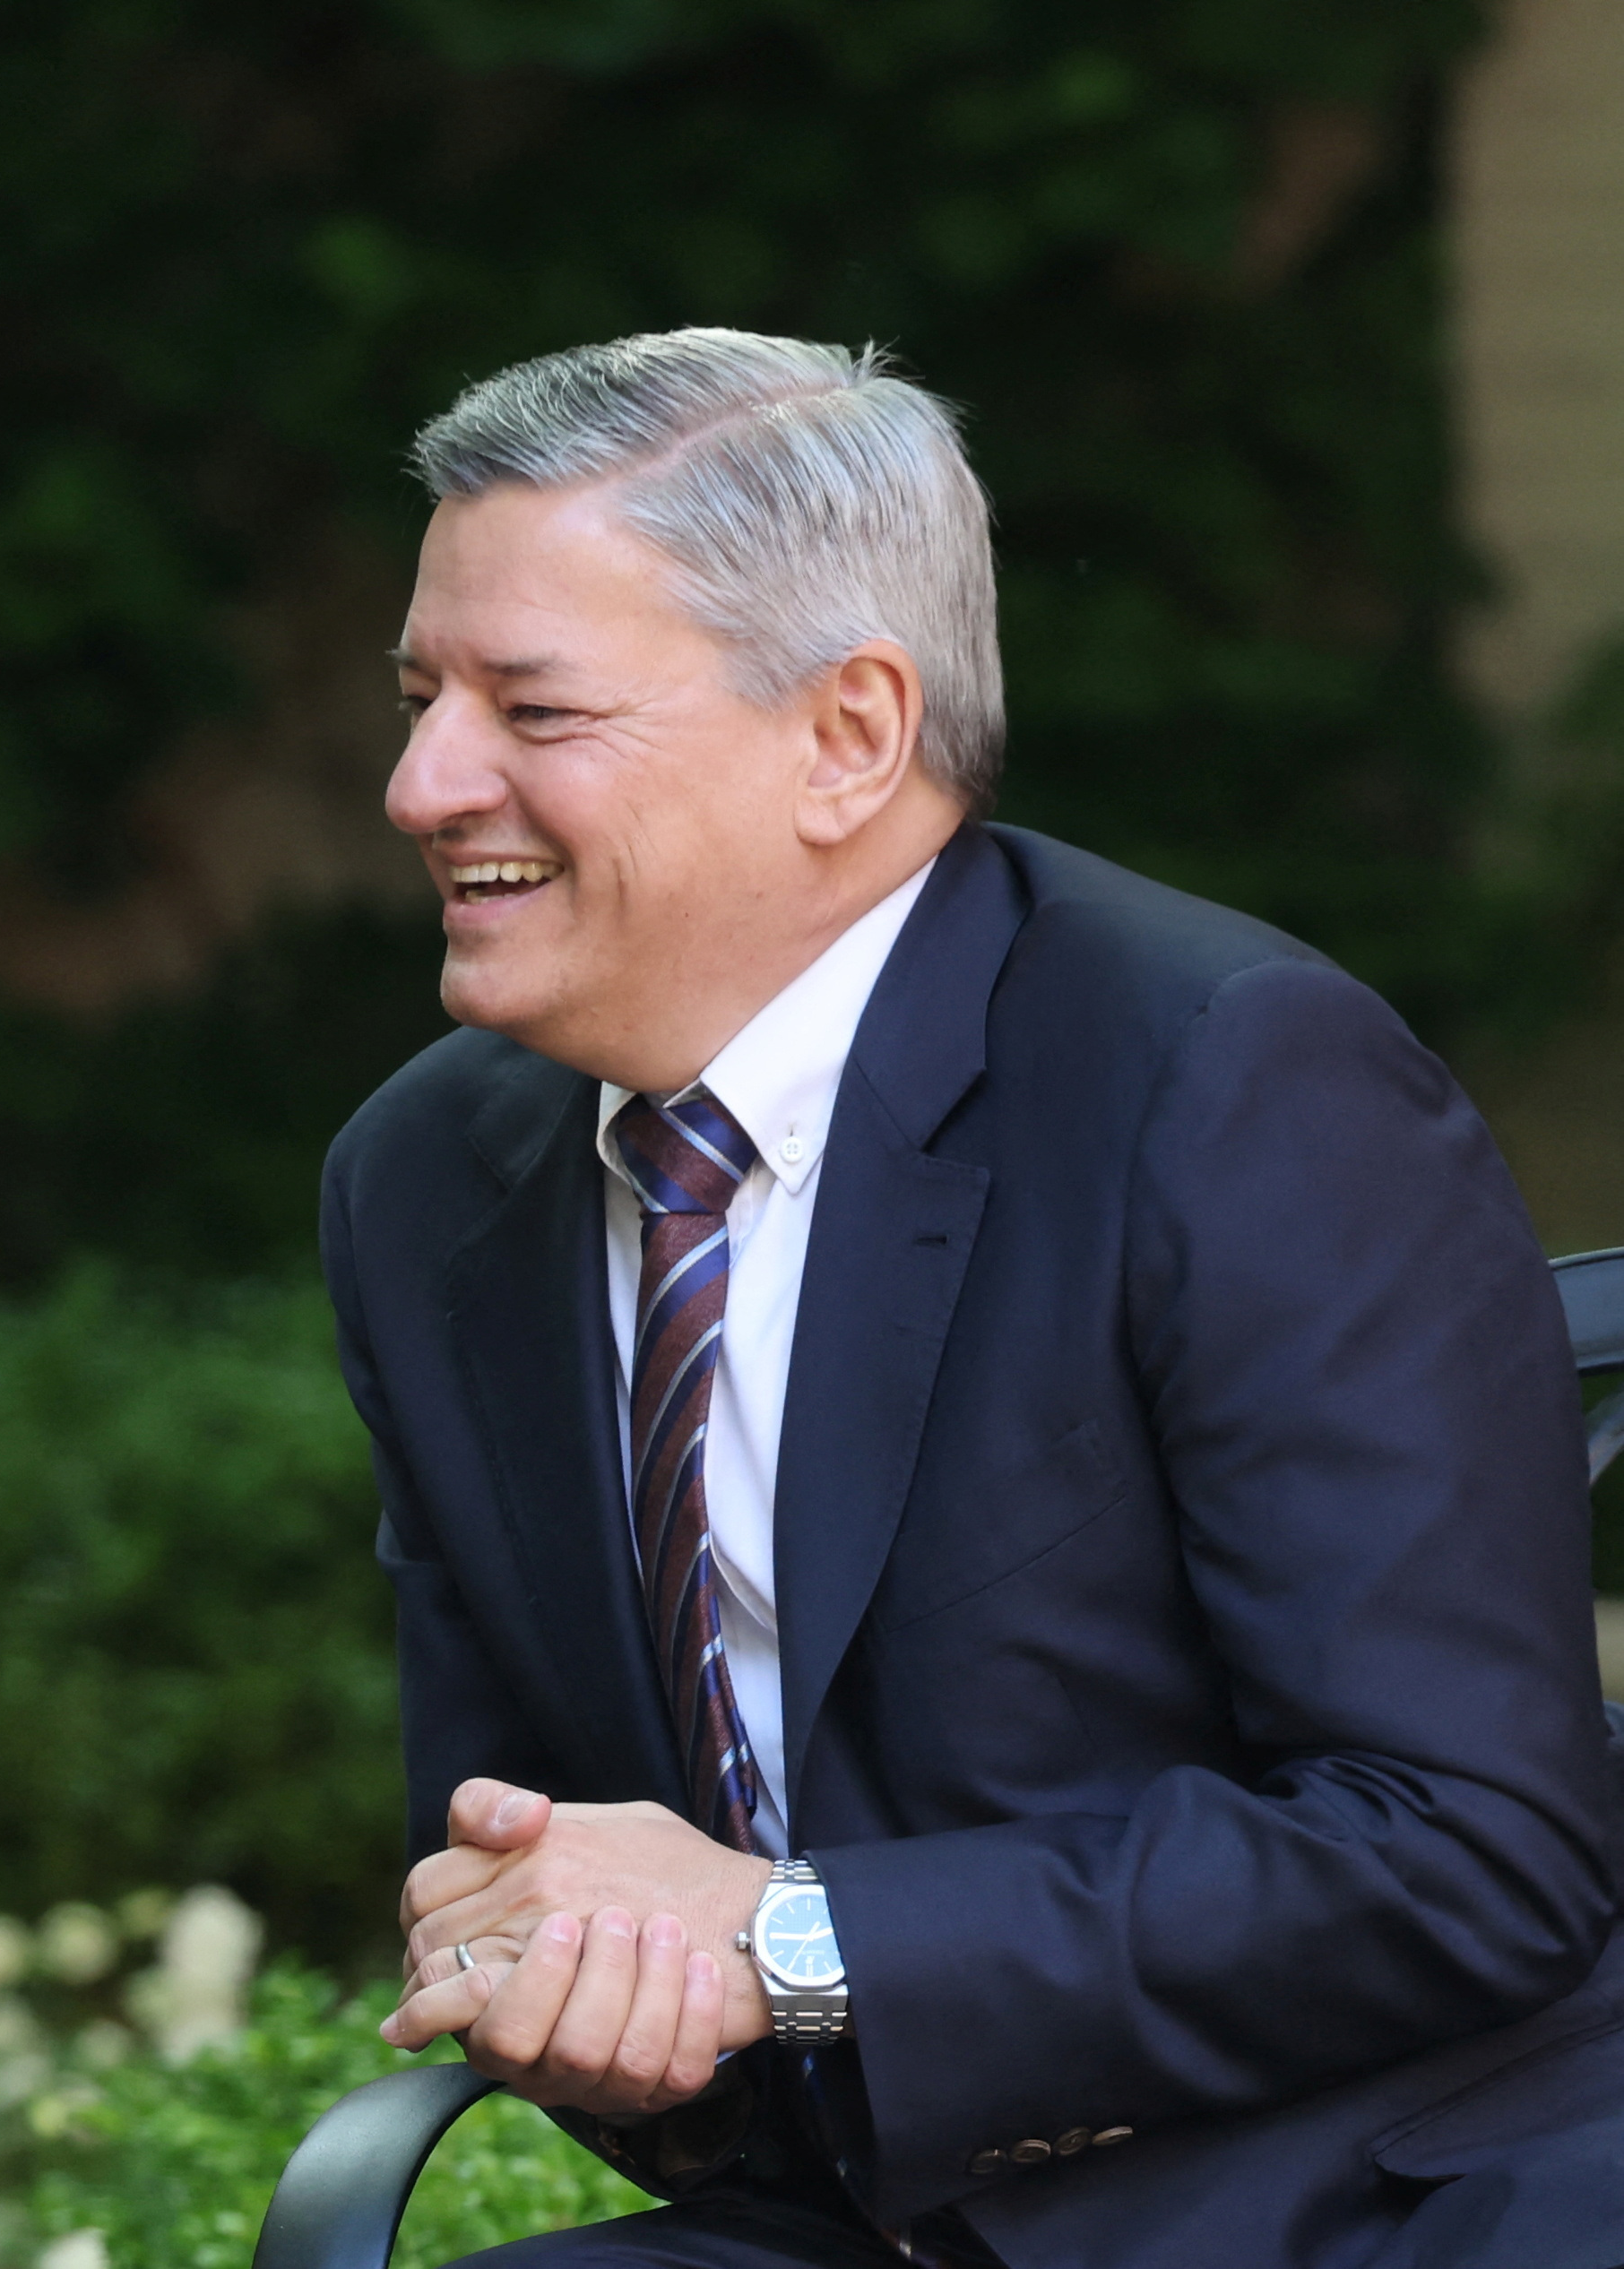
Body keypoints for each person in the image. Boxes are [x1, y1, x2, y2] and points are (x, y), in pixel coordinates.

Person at [320, 330, 1624, 2268]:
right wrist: (557, 1961)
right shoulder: (429, 1181)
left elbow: (1467, 1850)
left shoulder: (1226, 1082)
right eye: (423, 695)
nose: (425, 781)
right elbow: (536, 1845)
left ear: (847, 735)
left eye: (533, 704)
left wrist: (788, 1948)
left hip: (1357, 2188)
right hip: (856, 2211)